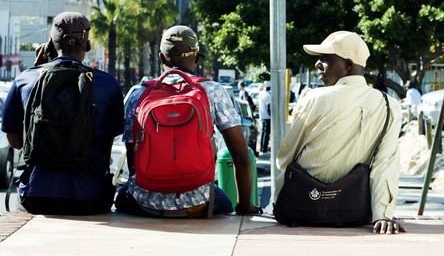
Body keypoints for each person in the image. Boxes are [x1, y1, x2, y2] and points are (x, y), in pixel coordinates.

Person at [114, 25, 262, 218]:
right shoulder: (213, 91)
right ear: (197, 58)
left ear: (161, 58)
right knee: (224, 200)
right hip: (198, 203)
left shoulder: (139, 94)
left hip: (146, 202)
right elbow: (241, 157)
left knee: (122, 196)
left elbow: (133, 158)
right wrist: (244, 206)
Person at [275, 31, 405, 234]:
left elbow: (284, 160)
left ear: (348, 65)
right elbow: (385, 164)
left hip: (301, 206)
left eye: (326, 58)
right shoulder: (390, 105)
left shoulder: (315, 98)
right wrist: (382, 214)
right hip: (353, 210)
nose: (318, 64)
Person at [1, 12, 124, 215]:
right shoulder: (109, 85)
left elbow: (16, 142)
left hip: (36, 196)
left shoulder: (26, 79)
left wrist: (37, 68)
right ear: (87, 45)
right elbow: (106, 145)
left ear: (50, 43)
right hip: (90, 198)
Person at [258, 81, 272, 155]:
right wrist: (271, 116)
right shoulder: (267, 95)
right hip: (267, 117)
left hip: (262, 116)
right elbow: (268, 107)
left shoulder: (261, 94)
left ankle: (262, 148)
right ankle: (264, 150)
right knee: (266, 134)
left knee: (263, 133)